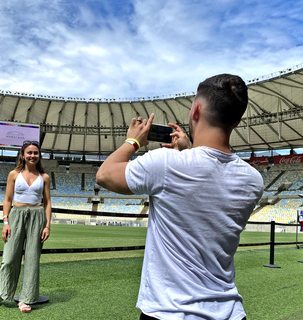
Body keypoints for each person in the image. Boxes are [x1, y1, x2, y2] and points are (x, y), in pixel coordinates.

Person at [96, 74, 263, 320]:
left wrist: (133, 141)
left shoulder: (166, 164)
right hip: (229, 312)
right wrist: (188, 150)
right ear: (237, 122)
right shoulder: (253, 180)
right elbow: (208, 177)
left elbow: (105, 175)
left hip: (169, 312)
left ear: (195, 109)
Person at [0, 140, 52, 313]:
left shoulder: (44, 177)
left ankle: (26, 299)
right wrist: (5, 222)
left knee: (32, 260)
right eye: (29, 153)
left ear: (39, 156)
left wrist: (47, 226)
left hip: (37, 216)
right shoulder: (14, 174)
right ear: (23, 155)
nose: (32, 156)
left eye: (35, 153)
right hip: (16, 215)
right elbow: (7, 200)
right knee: (9, 258)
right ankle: (2, 292)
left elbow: (47, 203)